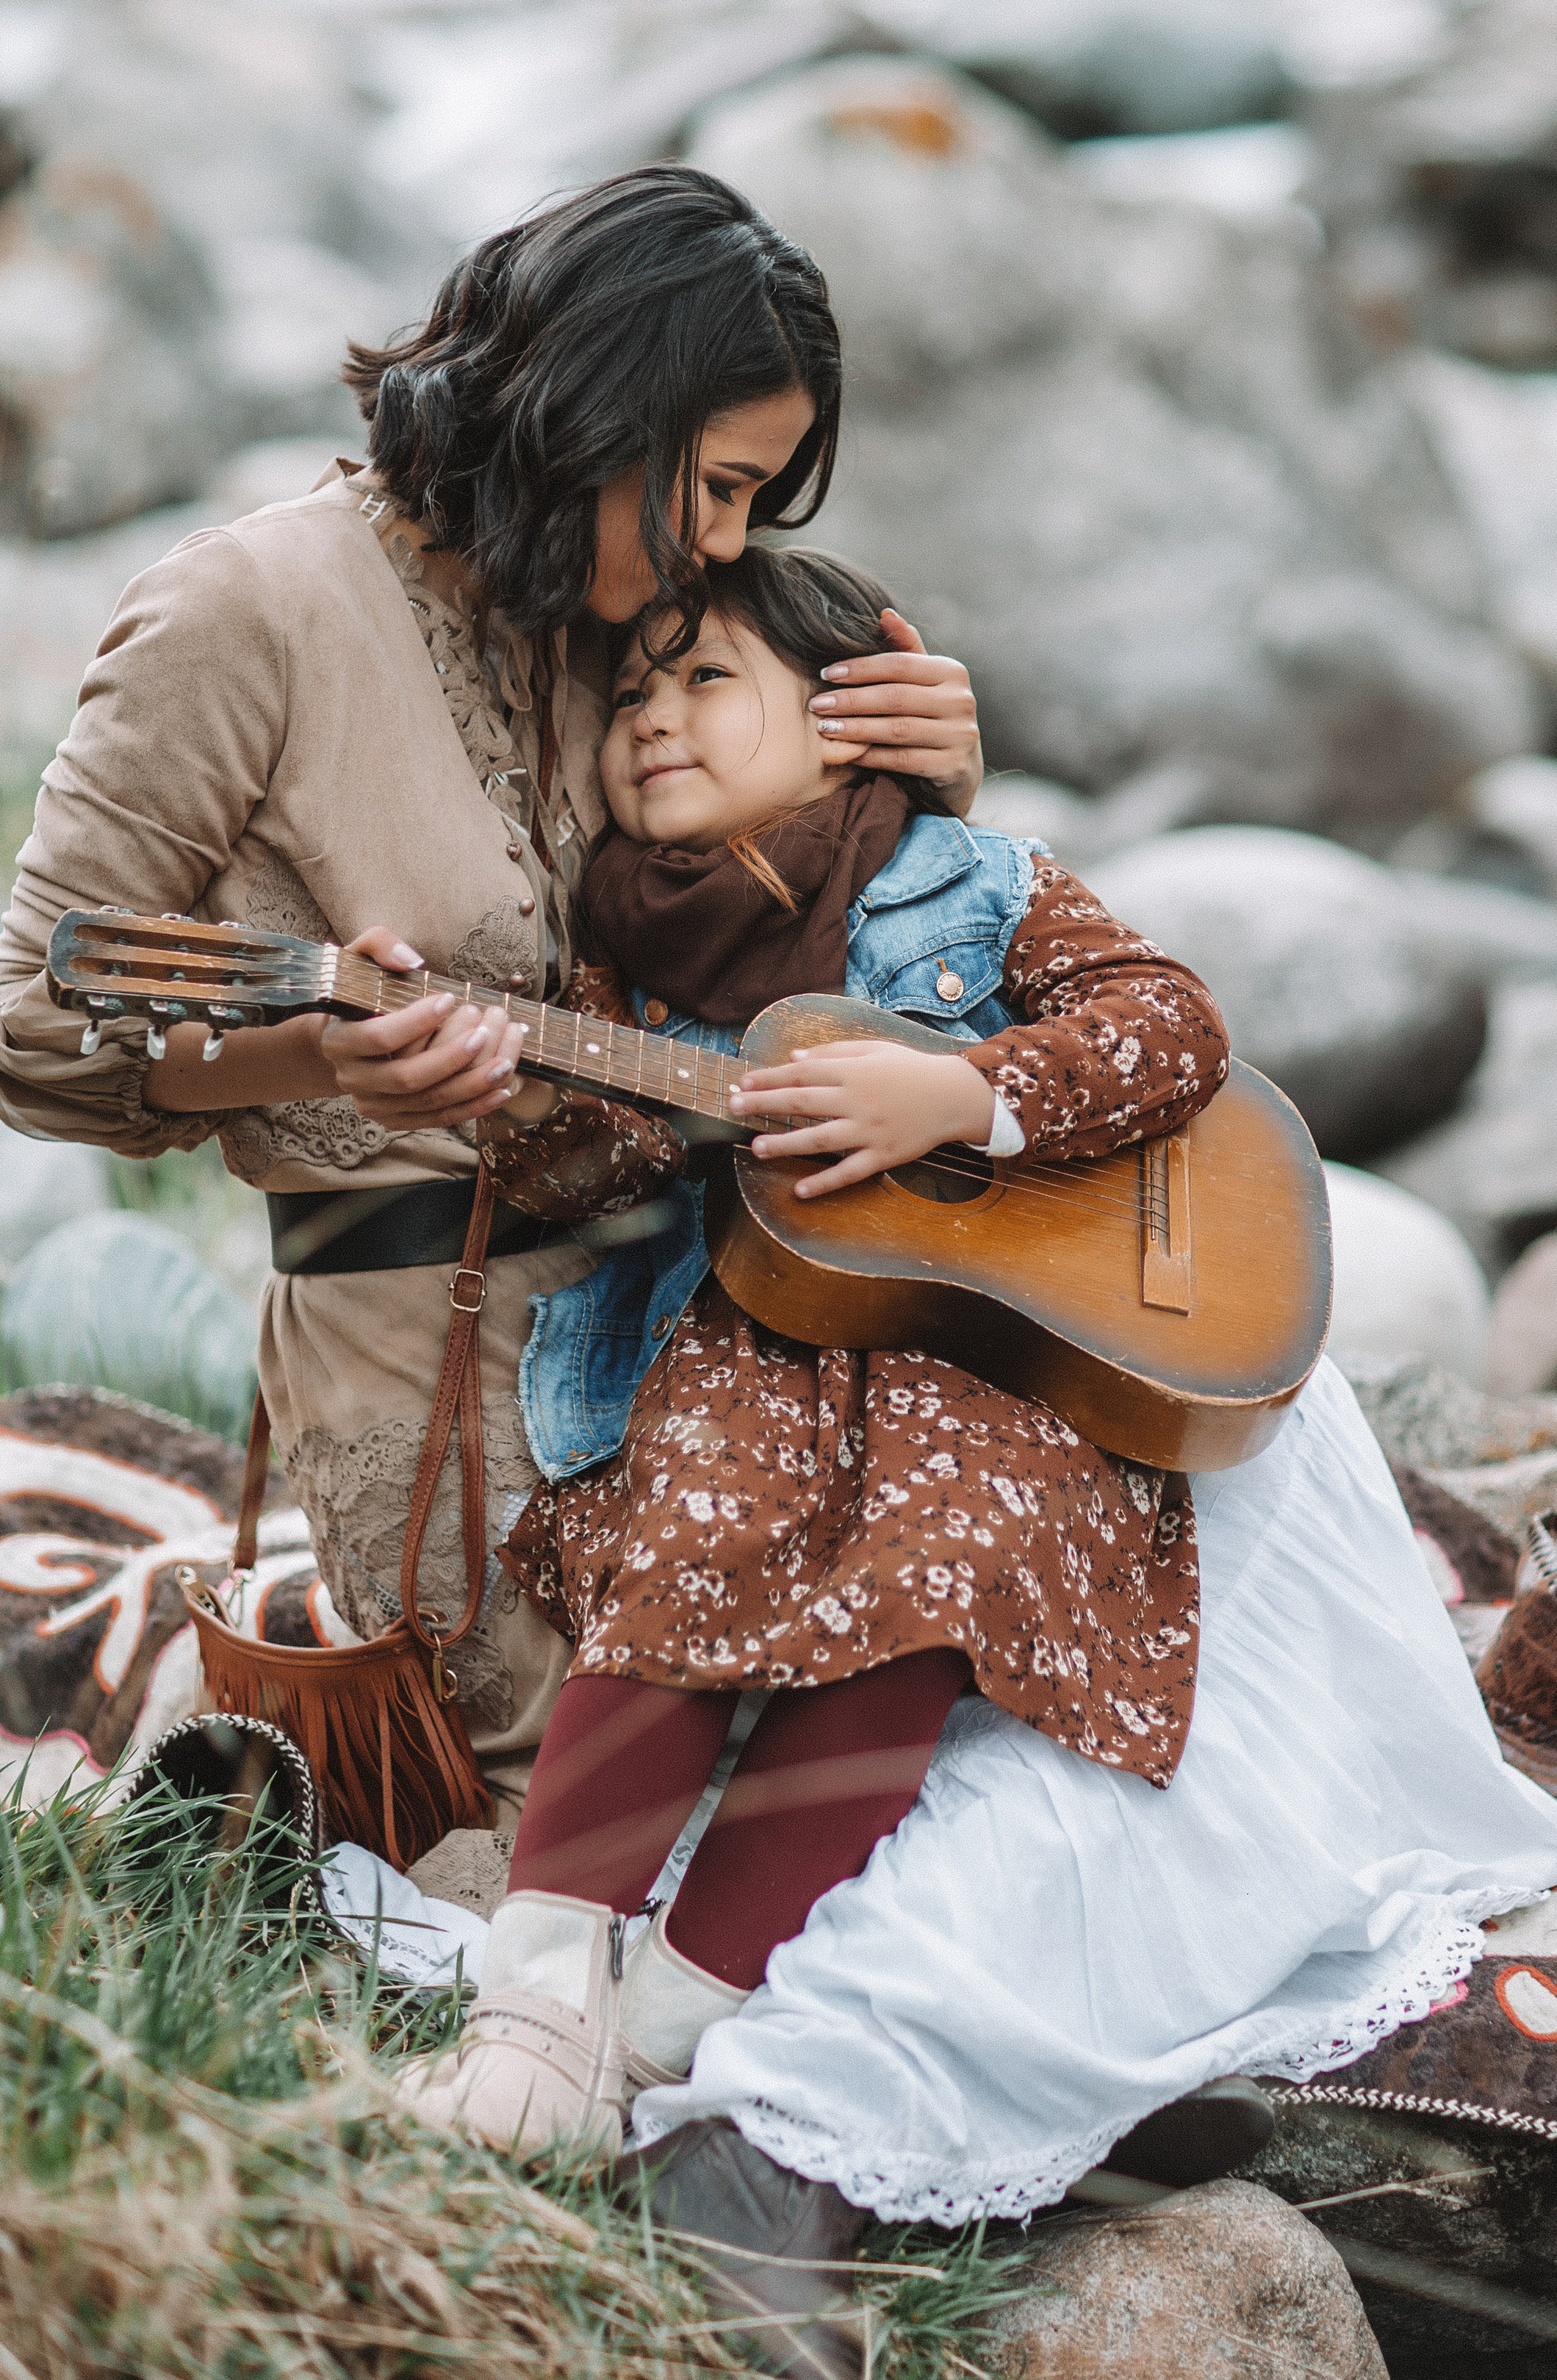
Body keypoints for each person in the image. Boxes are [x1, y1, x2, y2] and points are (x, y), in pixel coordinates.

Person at [0, 167, 982, 1827]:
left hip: (711, 1292)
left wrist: (924, 782)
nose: (731, 544)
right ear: (597, 411)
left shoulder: (616, 611)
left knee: (934, 1718)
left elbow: (796, 939)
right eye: (721, 486)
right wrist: (316, 1058)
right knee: (600, 1836)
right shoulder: (244, 610)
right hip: (424, 1352)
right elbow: (30, 1024)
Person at [401, 542, 1231, 2157]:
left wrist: (962, 1097)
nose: (652, 716)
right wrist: (513, 1092)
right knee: (693, 1526)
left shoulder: (972, 881)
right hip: (743, 1363)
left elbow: (1171, 1025)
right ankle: (535, 1989)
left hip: (994, 1372)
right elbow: (553, 1175)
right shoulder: (612, 962)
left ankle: (662, 2030)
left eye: (706, 678)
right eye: (627, 693)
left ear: (847, 715)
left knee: (939, 1583)